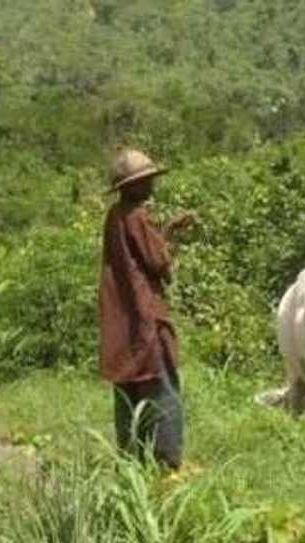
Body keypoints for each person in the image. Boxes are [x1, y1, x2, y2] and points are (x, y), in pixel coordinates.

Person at [98, 149, 195, 470]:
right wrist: (169, 231)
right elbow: (158, 262)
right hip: (145, 319)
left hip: (122, 321)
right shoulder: (138, 216)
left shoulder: (115, 216)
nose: (151, 184)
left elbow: (142, 255)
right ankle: (168, 466)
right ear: (133, 186)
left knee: (128, 392)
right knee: (163, 391)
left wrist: (163, 230)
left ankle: (130, 463)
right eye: (146, 180)